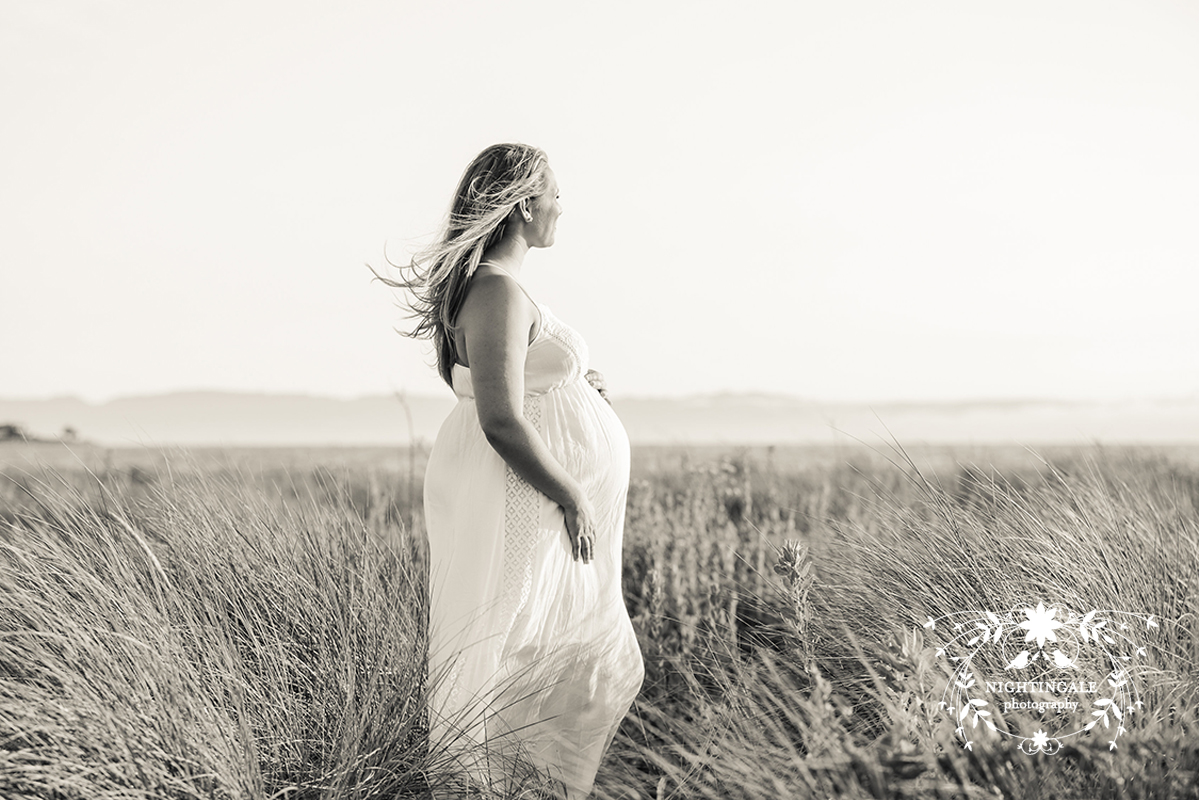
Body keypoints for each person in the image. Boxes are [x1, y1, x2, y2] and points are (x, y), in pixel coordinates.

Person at [379, 143, 644, 798]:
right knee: (524, 646)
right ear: (526, 205)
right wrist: (571, 493)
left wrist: (576, 387)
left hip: (517, 489)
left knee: (549, 648)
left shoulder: (493, 290)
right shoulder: (496, 290)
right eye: (556, 194)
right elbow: (497, 417)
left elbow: (492, 389)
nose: (561, 208)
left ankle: (524, 787)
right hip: (522, 493)